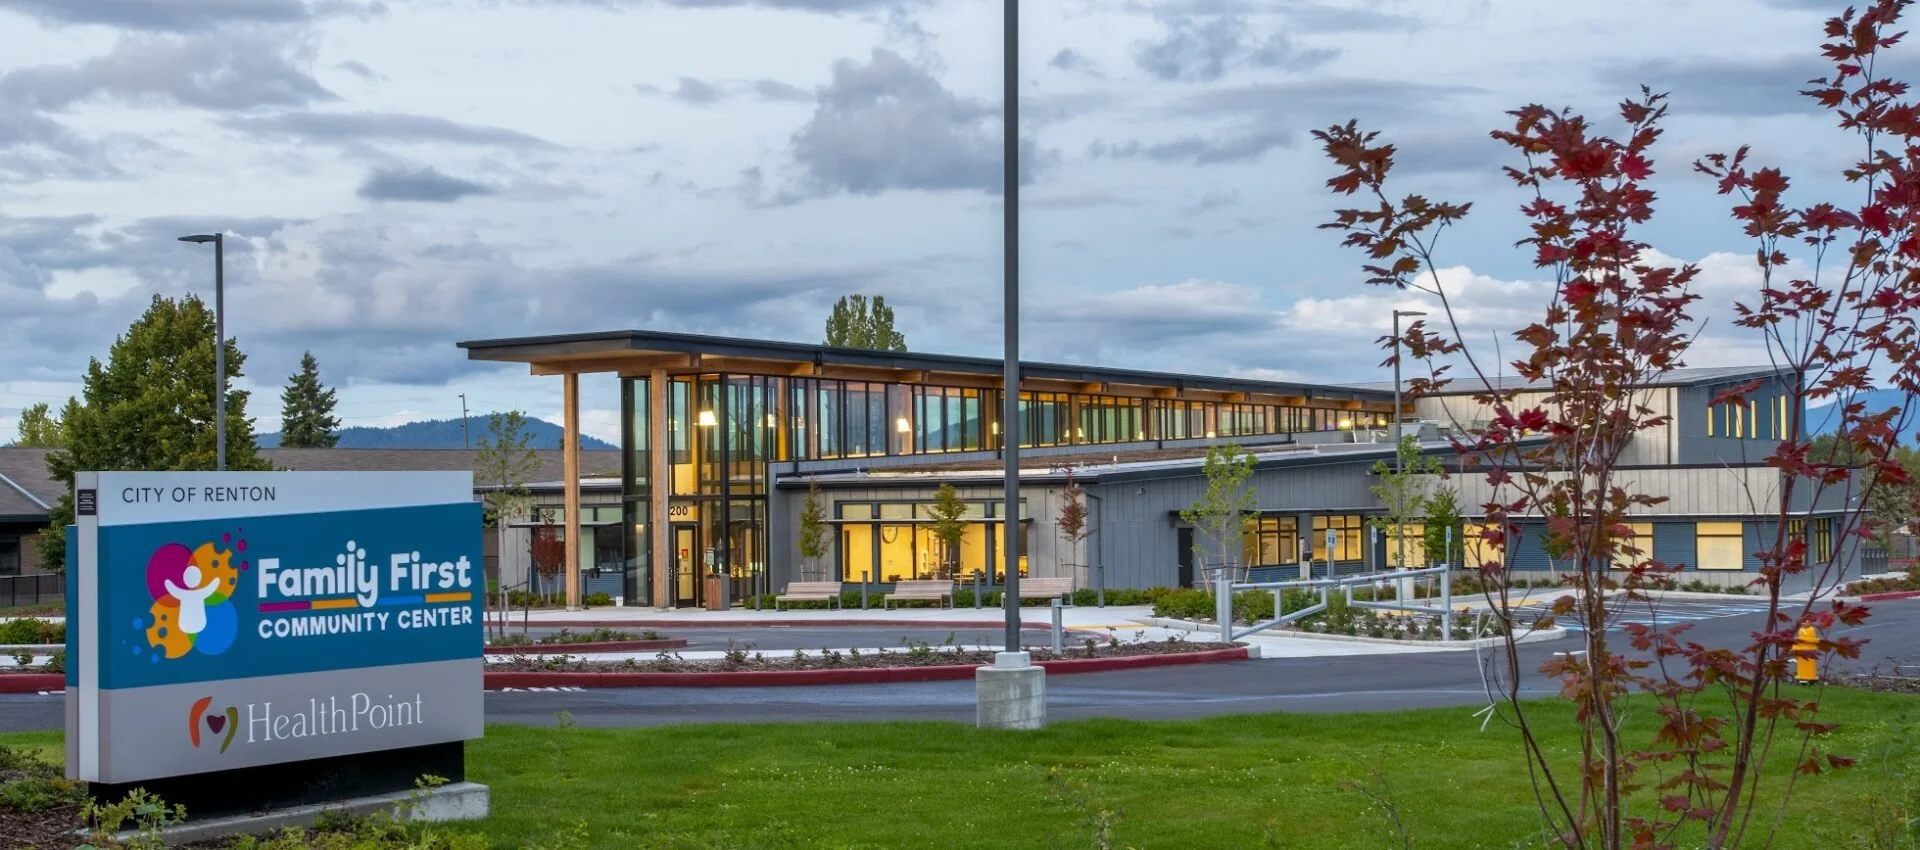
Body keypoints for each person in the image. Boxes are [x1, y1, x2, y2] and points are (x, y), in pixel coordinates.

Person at [165, 566, 220, 636]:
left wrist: (168, 583)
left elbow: (174, 590)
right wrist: (215, 581)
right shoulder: (199, 593)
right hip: (196, 624)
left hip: (189, 625)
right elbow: (210, 589)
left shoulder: (184, 594)